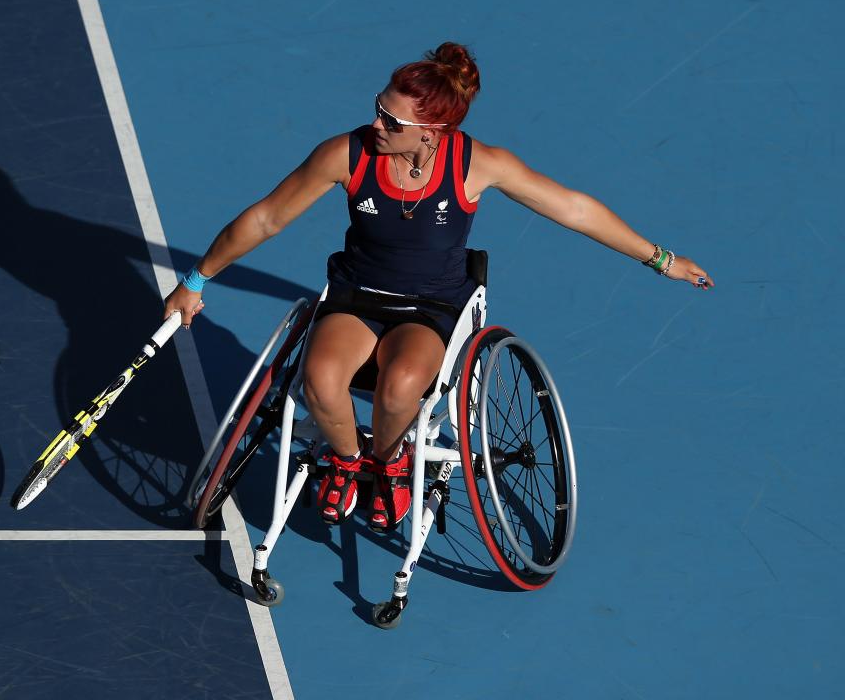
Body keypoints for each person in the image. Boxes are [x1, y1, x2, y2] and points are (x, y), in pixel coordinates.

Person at [164, 42, 713, 532]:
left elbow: (574, 209)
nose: (376, 123)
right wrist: (195, 280)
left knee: (401, 387)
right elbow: (265, 220)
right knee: (322, 378)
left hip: (431, 309)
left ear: (432, 132)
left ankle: (390, 461)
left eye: (390, 119)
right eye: (377, 108)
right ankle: (353, 464)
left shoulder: (480, 165)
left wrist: (661, 259)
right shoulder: (346, 155)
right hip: (358, 297)